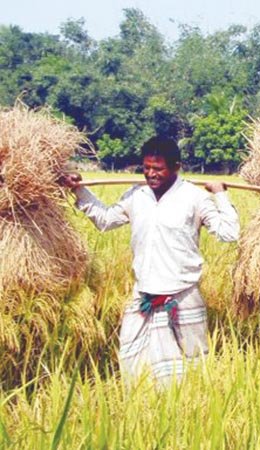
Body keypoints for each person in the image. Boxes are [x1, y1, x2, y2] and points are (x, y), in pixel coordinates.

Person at [61, 136, 240, 384]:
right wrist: (78, 190)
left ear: (176, 166)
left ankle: (191, 411)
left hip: (183, 296)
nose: (151, 174)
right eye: (146, 168)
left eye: (158, 168)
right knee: (133, 359)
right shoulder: (136, 196)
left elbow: (228, 233)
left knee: (193, 365)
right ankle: (141, 410)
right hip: (144, 294)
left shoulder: (195, 199)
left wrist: (220, 195)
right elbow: (105, 220)